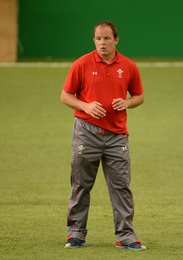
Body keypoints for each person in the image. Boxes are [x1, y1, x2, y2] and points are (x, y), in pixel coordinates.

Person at [60, 20, 146, 251]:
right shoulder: (82, 64)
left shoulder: (128, 66)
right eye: (98, 38)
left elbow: (139, 96)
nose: (102, 42)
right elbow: (65, 95)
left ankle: (126, 236)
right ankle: (76, 234)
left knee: (120, 187)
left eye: (107, 38)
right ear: (94, 40)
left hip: (117, 136)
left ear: (116, 40)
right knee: (81, 185)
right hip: (86, 132)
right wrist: (85, 106)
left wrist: (127, 101)